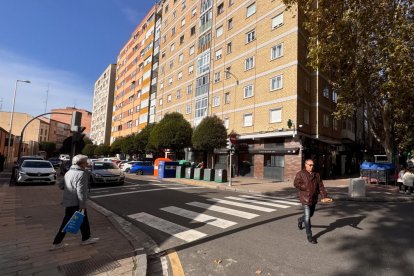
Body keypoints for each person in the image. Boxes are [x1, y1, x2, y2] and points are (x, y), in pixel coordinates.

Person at [50, 154, 99, 250]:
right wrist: (82, 206)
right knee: (66, 222)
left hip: (69, 202)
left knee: (83, 220)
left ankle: (86, 238)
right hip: (76, 203)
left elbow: (60, 186)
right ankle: (56, 243)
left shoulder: (69, 172)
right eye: (85, 162)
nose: (87, 164)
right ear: (81, 163)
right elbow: (81, 192)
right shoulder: (81, 174)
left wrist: (69, 190)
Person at [294, 159, 330, 244]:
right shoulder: (300, 173)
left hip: (313, 198)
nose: (311, 166)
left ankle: (300, 220)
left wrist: (324, 196)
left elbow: (320, 186)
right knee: (307, 217)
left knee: (311, 214)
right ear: (305, 165)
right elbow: (296, 183)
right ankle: (309, 236)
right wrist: (305, 187)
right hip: (305, 198)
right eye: (310, 165)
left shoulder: (316, 175)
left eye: (312, 165)